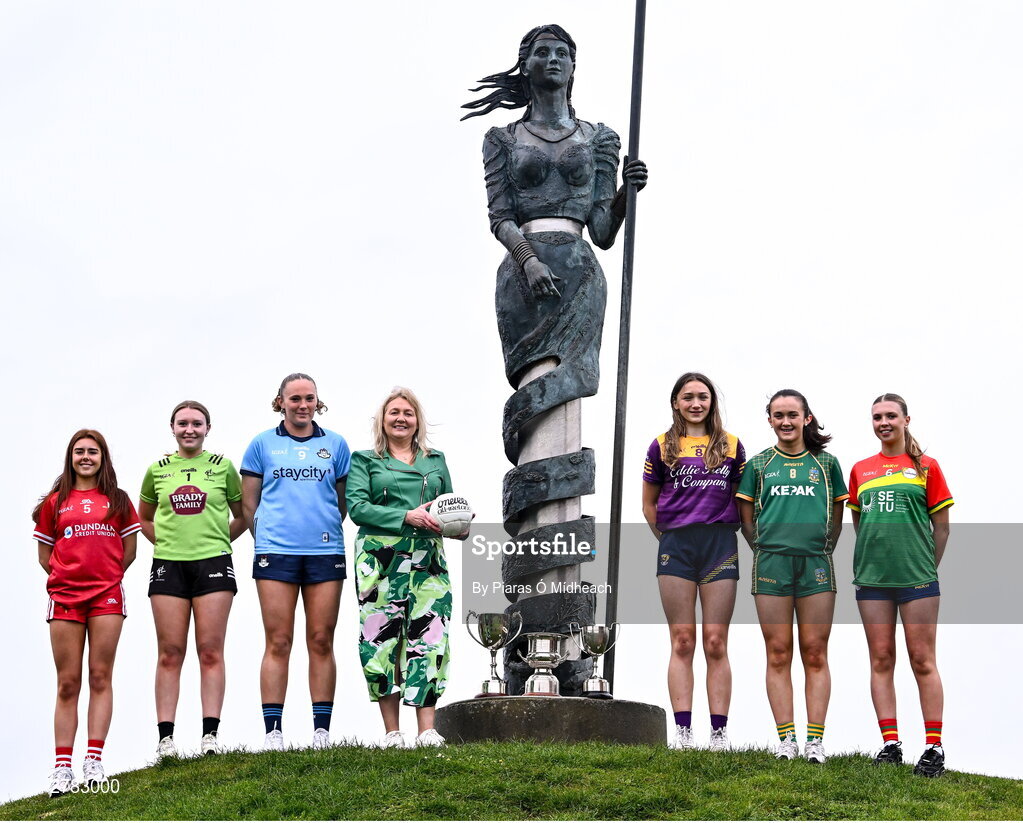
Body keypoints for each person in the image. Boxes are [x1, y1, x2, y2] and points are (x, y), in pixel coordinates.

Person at [462, 24, 647, 454]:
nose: (553, 60)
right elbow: (501, 216)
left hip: (578, 270)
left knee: (573, 378)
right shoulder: (502, 139)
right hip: (524, 273)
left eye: (562, 53)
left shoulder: (599, 137)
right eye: (543, 53)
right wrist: (528, 260)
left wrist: (625, 193)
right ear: (526, 65)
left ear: (573, 65)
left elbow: (602, 231)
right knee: (533, 377)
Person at [346, 387, 465, 748]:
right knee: (381, 637)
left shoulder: (436, 459)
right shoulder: (365, 460)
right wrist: (405, 515)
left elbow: (450, 504)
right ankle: (392, 732)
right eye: (393, 412)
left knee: (430, 636)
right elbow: (357, 508)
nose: (401, 418)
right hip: (381, 559)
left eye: (408, 413)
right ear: (382, 420)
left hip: (428, 559)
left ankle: (427, 730)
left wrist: (460, 524)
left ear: (417, 421)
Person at [736, 390, 847, 764]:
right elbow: (746, 519)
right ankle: (787, 740)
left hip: (816, 563)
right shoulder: (759, 465)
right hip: (772, 565)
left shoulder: (827, 464)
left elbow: (837, 512)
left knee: (815, 652)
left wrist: (823, 546)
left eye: (792, 415)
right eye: (778, 415)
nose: (786, 422)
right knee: (778, 652)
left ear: (807, 418)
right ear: (769, 420)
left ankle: (815, 743)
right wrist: (766, 548)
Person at [241, 374, 351, 750]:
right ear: (280, 402)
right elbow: (248, 503)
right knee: (279, 640)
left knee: (321, 639)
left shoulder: (335, 445)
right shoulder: (261, 444)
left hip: (325, 552)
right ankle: (274, 731)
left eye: (309, 398)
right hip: (276, 553)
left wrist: (319, 528)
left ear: (317, 402)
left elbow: (342, 503)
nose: (302, 405)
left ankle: (321, 731)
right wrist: (269, 535)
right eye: (295, 399)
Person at [848, 393, 952, 777]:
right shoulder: (861, 469)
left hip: (918, 579)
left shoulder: (927, 467)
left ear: (907, 419)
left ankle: (934, 747)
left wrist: (925, 565)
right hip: (873, 579)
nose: (884, 422)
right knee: (881, 659)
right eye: (877, 417)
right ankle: (891, 744)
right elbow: (861, 525)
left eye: (891, 415)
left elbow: (941, 527)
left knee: (922, 659)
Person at [33, 430, 140, 797]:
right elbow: (45, 557)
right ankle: (62, 768)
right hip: (65, 598)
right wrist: (69, 578)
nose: (85, 457)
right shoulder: (55, 503)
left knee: (99, 676)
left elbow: (130, 551)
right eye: (79, 452)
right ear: (70, 457)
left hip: (107, 597)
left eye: (92, 452)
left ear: (102, 457)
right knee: (67, 683)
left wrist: (105, 577)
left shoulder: (119, 500)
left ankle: (94, 761)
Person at [642, 373, 745, 751]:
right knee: (682, 641)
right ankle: (683, 732)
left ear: (712, 402)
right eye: (688, 397)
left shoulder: (732, 445)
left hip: (719, 545)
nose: (696, 403)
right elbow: (648, 504)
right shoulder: (661, 446)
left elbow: (742, 499)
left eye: (703, 397)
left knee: (716, 641)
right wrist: (670, 537)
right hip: (677, 548)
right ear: (676, 403)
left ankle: (719, 734)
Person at [138, 401, 246, 758]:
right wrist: (169, 544)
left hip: (213, 564)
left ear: (207, 428)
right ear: (172, 428)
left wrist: (216, 542)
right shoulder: (158, 470)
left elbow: (243, 515)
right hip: (169, 566)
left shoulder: (223, 467)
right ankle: (166, 739)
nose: (189, 429)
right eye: (182, 423)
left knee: (210, 651)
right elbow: (145, 519)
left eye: (196, 423)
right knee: (170, 653)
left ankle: (210, 736)